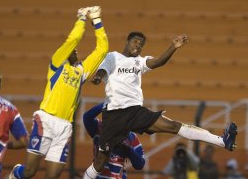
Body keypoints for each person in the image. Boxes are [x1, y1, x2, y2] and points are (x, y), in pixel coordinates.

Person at [83, 31, 238, 179]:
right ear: (127, 42)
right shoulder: (113, 57)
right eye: (135, 41)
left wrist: (173, 47)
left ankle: (223, 141)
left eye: (141, 44)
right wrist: (98, 77)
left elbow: (159, 61)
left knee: (173, 126)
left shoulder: (139, 61)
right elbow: (103, 70)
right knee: (100, 162)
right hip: (114, 115)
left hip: (135, 112)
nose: (138, 45)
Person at [7, 6, 108, 179]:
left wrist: (97, 20)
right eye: (71, 49)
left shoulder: (81, 72)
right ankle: (15, 174)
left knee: (53, 176)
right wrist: (82, 18)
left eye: (75, 50)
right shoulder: (56, 65)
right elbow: (73, 39)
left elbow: (102, 49)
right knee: (30, 172)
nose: (74, 50)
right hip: (45, 120)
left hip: (64, 127)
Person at [83, 102, 145, 178]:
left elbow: (140, 165)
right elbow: (87, 117)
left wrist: (128, 151)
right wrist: (108, 102)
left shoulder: (131, 136)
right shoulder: (99, 127)